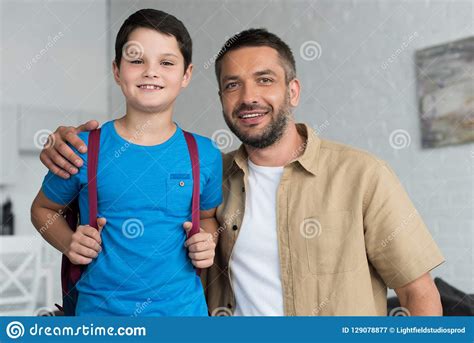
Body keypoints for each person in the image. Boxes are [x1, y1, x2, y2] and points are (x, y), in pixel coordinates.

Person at [39, 28, 444, 316]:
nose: (248, 96)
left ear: (293, 91)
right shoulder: (213, 171)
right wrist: (62, 142)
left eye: (264, 80)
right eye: (233, 85)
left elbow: (417, 292)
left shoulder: (362, 175)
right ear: (220, 98)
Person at [30, 9, 222, 316]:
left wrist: (207, 240)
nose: (150, 71)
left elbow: (208, 216)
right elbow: (42, 209)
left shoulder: (206, 153)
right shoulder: (83, 148)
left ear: (186, 75)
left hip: (186, 318)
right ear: (117, 70)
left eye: (166, 62)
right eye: (136, 60)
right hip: (100, 318)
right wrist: (69, 243)